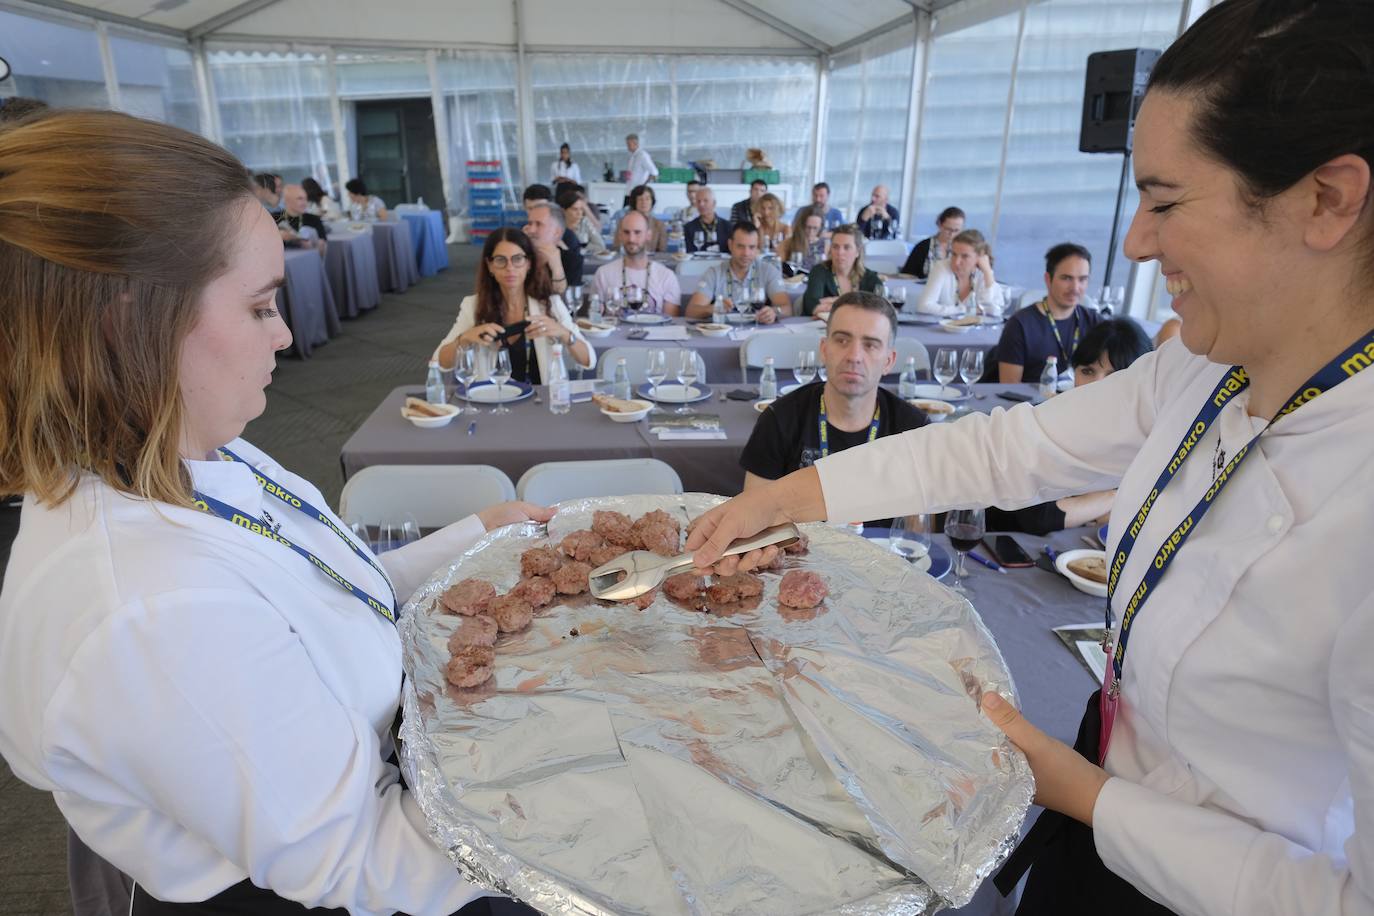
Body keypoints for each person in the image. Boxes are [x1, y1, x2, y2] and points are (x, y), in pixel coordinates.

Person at [687, 4, 1374, 914]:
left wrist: (1083, 791)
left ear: (1325, 200)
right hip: (1094, 804)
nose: (1135, 240)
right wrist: (794, 495)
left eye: (1166, 202)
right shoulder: (1206, 364)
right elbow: (1017, 446)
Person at [0, 109, 551, 916]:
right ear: (129, 327)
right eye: (259, 306)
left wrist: (477, 537)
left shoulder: (193, 451)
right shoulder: (155, 611)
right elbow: (366, 862)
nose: (287, 333)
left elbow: (319, 599)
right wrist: (568, 793)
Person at [740, 291, 927, 528]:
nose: (854, 356)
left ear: (889, 361)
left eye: (870, 345)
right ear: (824, 349)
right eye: (842, 340)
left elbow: (917, 540)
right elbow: (754, 520)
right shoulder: (779, 420)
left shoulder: (914, 430)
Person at [986, 317, 1154, 535]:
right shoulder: (1048, 421)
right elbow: (1038, 517)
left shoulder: (1149, 435)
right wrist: (1117, 498)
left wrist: (1091, 507)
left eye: (1115, 377)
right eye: (1087, 371)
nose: (1097, 386)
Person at [434, 227, 593, 383]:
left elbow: (588, 360)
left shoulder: (550, 303)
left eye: (517, 259)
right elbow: (440, 362)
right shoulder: (473, 306)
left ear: (528, 264)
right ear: (490, 266)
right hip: (493, 401)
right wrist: (465, 338)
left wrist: (564, 333)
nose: (510, 268)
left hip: (541, 402)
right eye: (500, 260)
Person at [996, 241, 1101, 385]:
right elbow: (1009, 388)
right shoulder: (1020, 324)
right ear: (1048, 279)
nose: (1075, 288)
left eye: (1082, 279)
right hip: (1035, 405)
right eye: (1066, 278)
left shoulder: (1097, 324)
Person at [686, 223, 790, 324]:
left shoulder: (768, 271)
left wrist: (775, 312)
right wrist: (713, 308)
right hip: (724, 335)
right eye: (740, 246)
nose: (746, 253)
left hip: (758, 333)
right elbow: (691, 311)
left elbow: (788, 309)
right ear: (730, 245)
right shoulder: (714, 273)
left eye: (752, 247)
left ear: (757, 247)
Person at [589, 211, 681, 317]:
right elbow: (595, 319)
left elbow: (670, 324)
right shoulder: (603, 273)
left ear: (648, 235)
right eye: (626, 232)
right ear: (620, 235)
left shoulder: (666, 276)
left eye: (637, 232)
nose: (631, 239)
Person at [916, 228, 1007, 318]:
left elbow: (996, 310)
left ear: (979, 256)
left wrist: (988, 272)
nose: (956, 262)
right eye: (954, 254)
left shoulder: (982, 273)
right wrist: (967, 310)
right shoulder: (941, 267)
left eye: (965, 256)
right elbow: (924, 306)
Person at [801, 225, 881, 318]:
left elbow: (877, 310)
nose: (840, 252)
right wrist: (855, 306)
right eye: (835, 247)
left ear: (857, 252)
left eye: (846, 247)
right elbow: (811, 306)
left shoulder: (871, 278)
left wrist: (831, 302)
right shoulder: (819, 271)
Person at [523, 198, 580, 295]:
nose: (531, 230)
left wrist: (557, 268)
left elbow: (570, 303)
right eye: (530, 223)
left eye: (538, 224)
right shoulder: (519, 256)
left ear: (557, 233)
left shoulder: (572, 260)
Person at [901, 206, 965, 279]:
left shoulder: (965, 249)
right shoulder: (923, 247)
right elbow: (907, 274)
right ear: (939, 225)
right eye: (948, 229)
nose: (952, 234)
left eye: (956, 230)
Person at [275, 184, 328, 256]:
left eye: (306, 199)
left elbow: (322, 251)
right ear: (287, 200)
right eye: (300, 199)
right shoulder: (273, 218)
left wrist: (308, 244)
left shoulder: (314, 219)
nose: (304, 203)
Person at [557, 183, 606, 256]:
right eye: (575, 209)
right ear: (564, 210)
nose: (579, 213)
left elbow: (600, 246)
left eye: (581, 209)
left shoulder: (584, 221)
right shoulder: (556, 224)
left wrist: (582, 248)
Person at [684, 187, 730, 253]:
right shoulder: (689, 227)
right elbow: (690, 253)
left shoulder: (727, 226)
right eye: (698, 201)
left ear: (714, 203)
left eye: (705, 201)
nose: (701, 204)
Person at [625, 184, 667, 252]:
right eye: (640, 199)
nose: (644, 202)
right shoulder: (624, 223)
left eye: (647, 199)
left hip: (652, 261)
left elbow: (662, 251)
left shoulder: (659, 225)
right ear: (634, 202)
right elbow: (618, 249)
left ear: (652, 202)